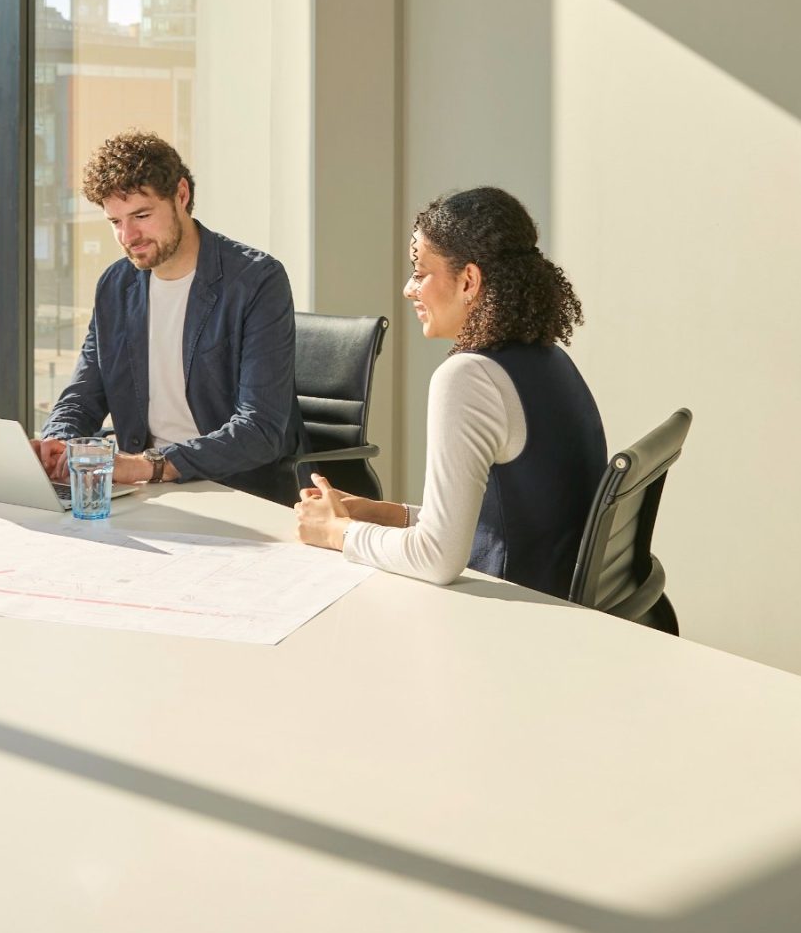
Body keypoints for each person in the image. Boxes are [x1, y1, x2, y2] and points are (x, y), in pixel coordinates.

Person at [293, 188, 603, 597]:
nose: (409, 288)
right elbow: (511, 524)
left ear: (469, 281)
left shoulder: (468, 377)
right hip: (553, 609)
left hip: (510, 619)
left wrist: (338, 532)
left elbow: (436, 558)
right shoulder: (549, 359)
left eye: (420, 272)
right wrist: (385, 515)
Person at [35, 132, 303, 505]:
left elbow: (260, 430)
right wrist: (58, 441)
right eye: (115, 221)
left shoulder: (256, 281)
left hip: (233, 489)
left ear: (181, 195)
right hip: (143, 491)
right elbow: (84, 394)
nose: (128, 236)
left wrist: (149, 466)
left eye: (141, 216)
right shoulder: (116, 285)